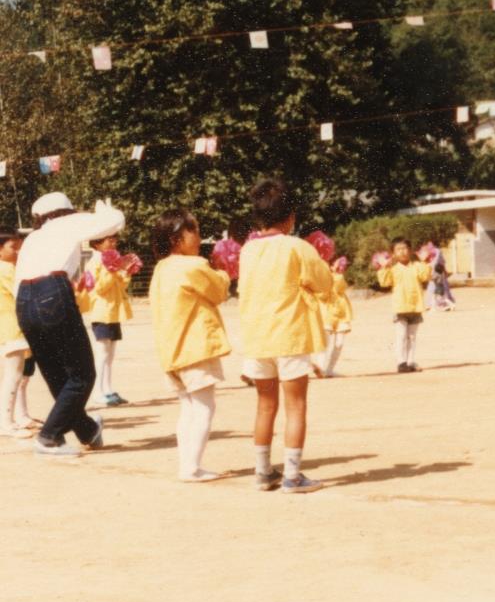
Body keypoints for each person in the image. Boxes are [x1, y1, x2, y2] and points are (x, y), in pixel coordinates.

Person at [238, 179, 332, 493]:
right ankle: (292, 475)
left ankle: (263, 471)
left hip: (257, 338)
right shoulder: (297, 247)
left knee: (265, 405)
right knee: (296, 406)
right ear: (290, 217)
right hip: (290, 336)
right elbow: (324, 284)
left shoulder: (248, 250)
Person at [15, 193, 123, 456]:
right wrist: (102, 208)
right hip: (52, 291)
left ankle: (86, 430)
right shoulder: (66, 223)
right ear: (65, 211)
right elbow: (115, 222)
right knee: (83, 374)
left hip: (23, 301)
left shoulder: (32, 237)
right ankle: (49, 436)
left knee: (56, 374)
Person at [149, 209, 232, 482]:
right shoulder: (193, 265)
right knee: (205, 407)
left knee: (188, 408)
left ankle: (188, 464)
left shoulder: (161, 268)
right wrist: (224, 271)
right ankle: (192, 467)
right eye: (192, 230)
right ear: (176, 237)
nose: (197, 236)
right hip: (195, 345)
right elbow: (219, 290)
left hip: (172, 350)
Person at [86, 233, 136, 406]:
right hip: (101, 312)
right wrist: (112, 270)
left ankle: (108, 389)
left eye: (115, 240)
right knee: (102, 353)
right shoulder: (94, 262)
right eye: (109, 240)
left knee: (110, 354)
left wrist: (126, 271)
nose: (114, 243)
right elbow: (99, 288)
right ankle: (98, 392)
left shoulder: (111, 260)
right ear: (97, 243)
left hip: (113, 311)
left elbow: (121, 284)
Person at [0, 227, 34, 438]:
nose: (18, 251)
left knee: (10, 376)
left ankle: (8, 419)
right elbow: (22, 294)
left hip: (7, 327)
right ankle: (6, 422)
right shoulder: (7, 270)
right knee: (13, 376)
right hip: (13, 327)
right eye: (14, 247)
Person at [377, 239, 431, 373]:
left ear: (411, 250)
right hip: (400, 307)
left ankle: (410, 361)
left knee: (412, 336)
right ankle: (401, 362)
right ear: (393, 253)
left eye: (405, 248)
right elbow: (384, 282)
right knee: (401, 335)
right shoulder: (393, 269)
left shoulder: (417, 266)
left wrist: (424, 261)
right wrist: (384, 267)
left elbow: (425, 276)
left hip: (415, 306)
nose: (402, 252)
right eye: (398, 249)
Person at [318, 256, 353, 377]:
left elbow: (340, 288)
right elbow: (321, 295)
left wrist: (337, 274)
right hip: (327, 314)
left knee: (339, 344)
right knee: (325, 343)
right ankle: (321, 369)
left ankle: (329, 369)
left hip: (342, 314)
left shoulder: (339, 278)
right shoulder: (322, 277)